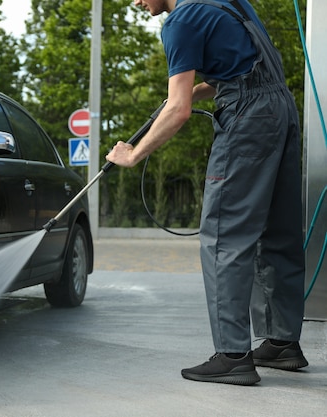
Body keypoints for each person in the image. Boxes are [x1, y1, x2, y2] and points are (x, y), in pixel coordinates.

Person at [106, 0, 308, 386]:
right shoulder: (228, 2)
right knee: (277, 231)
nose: (135, 2)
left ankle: (233, 354)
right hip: (281, 110)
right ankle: (282, 343)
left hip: (248, 117)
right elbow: (238, 69)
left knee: (222, 236)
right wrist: (193, 94)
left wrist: (133, 154)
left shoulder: (179, 21)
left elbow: (178, 110)